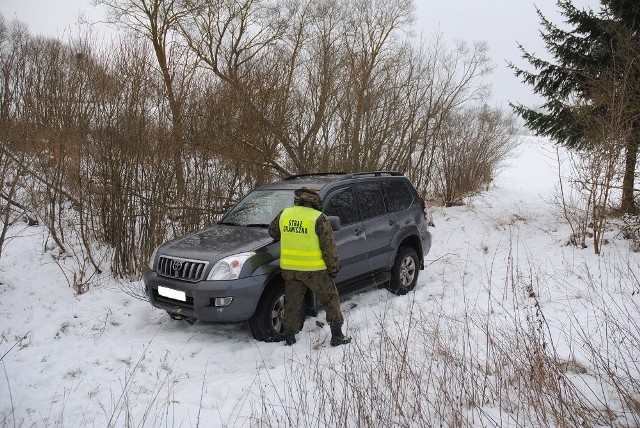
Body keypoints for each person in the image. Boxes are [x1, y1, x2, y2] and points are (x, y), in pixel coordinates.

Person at [268, 187, 351, 347]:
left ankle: (290, 338)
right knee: (330, 300)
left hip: (291, 270)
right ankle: (337, 335)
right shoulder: (318, 218)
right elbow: (329, 246)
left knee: (292, 303)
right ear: (315, 201)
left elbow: (273, 232)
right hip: (315, 271)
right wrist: (333, 268)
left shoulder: (285, 214)